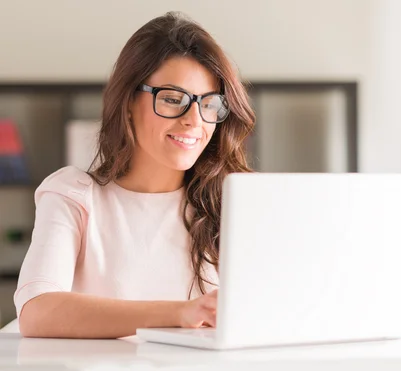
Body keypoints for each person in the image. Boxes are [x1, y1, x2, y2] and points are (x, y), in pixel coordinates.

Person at [14, 11, 255, 339]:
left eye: (210, 104)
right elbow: (37, 311)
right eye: (173, 99)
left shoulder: (236, 203)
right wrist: (179, 313)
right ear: (128, 101)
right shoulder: (74, 193)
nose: (194, 120)